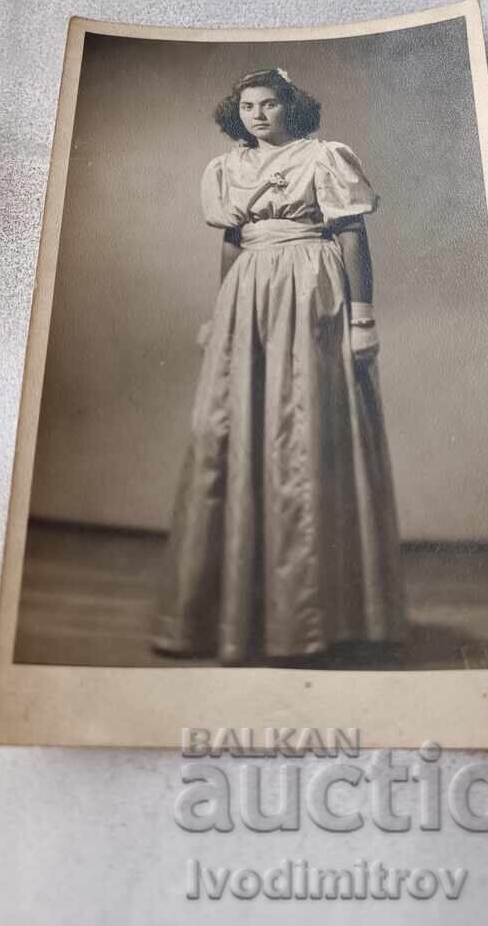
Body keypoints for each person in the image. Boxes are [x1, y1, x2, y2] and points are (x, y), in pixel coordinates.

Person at [154, 67, 406, 664]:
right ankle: (231, 615)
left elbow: (351, 236)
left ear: (291, 107)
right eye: (248, 106)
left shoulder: (324, 158)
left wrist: (361, 317)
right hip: (248, 297)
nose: (258, 115)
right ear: (235, 112)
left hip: (312, 290)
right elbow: (231, 244)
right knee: (231, 431)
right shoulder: (226, 168)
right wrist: (219, 315)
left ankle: (313, 618)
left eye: (269, 104)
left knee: (304, 428)